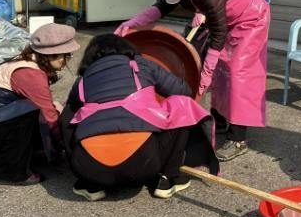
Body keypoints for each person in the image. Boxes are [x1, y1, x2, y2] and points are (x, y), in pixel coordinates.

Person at [115, 0, 270, 162]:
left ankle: (238, 138)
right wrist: (133, 23)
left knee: (237, 73)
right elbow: (163, 6)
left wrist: (205, 72)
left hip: (250, 16)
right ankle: (221, 120)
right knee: (221, 70)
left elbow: (218, 34)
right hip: (225, 17)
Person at [59, 34, 218, 201]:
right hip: (143, 165)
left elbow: (70, 112)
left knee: (68, 113)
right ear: (126, 49)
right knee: (180, 104)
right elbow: (183, 90)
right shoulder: (141, 64)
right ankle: (167, 179)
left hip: (91, 170)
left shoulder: (82, 81)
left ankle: (89, 185)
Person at [0, 23, 78, 185]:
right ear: (51, 54)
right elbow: (50, 117)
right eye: (66, 55)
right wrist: (64, 145)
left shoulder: (23, 61)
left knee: (30, 110)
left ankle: (1, 160)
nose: (67, 60)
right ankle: (11, 172)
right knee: (29, 111)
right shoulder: (30, 74)